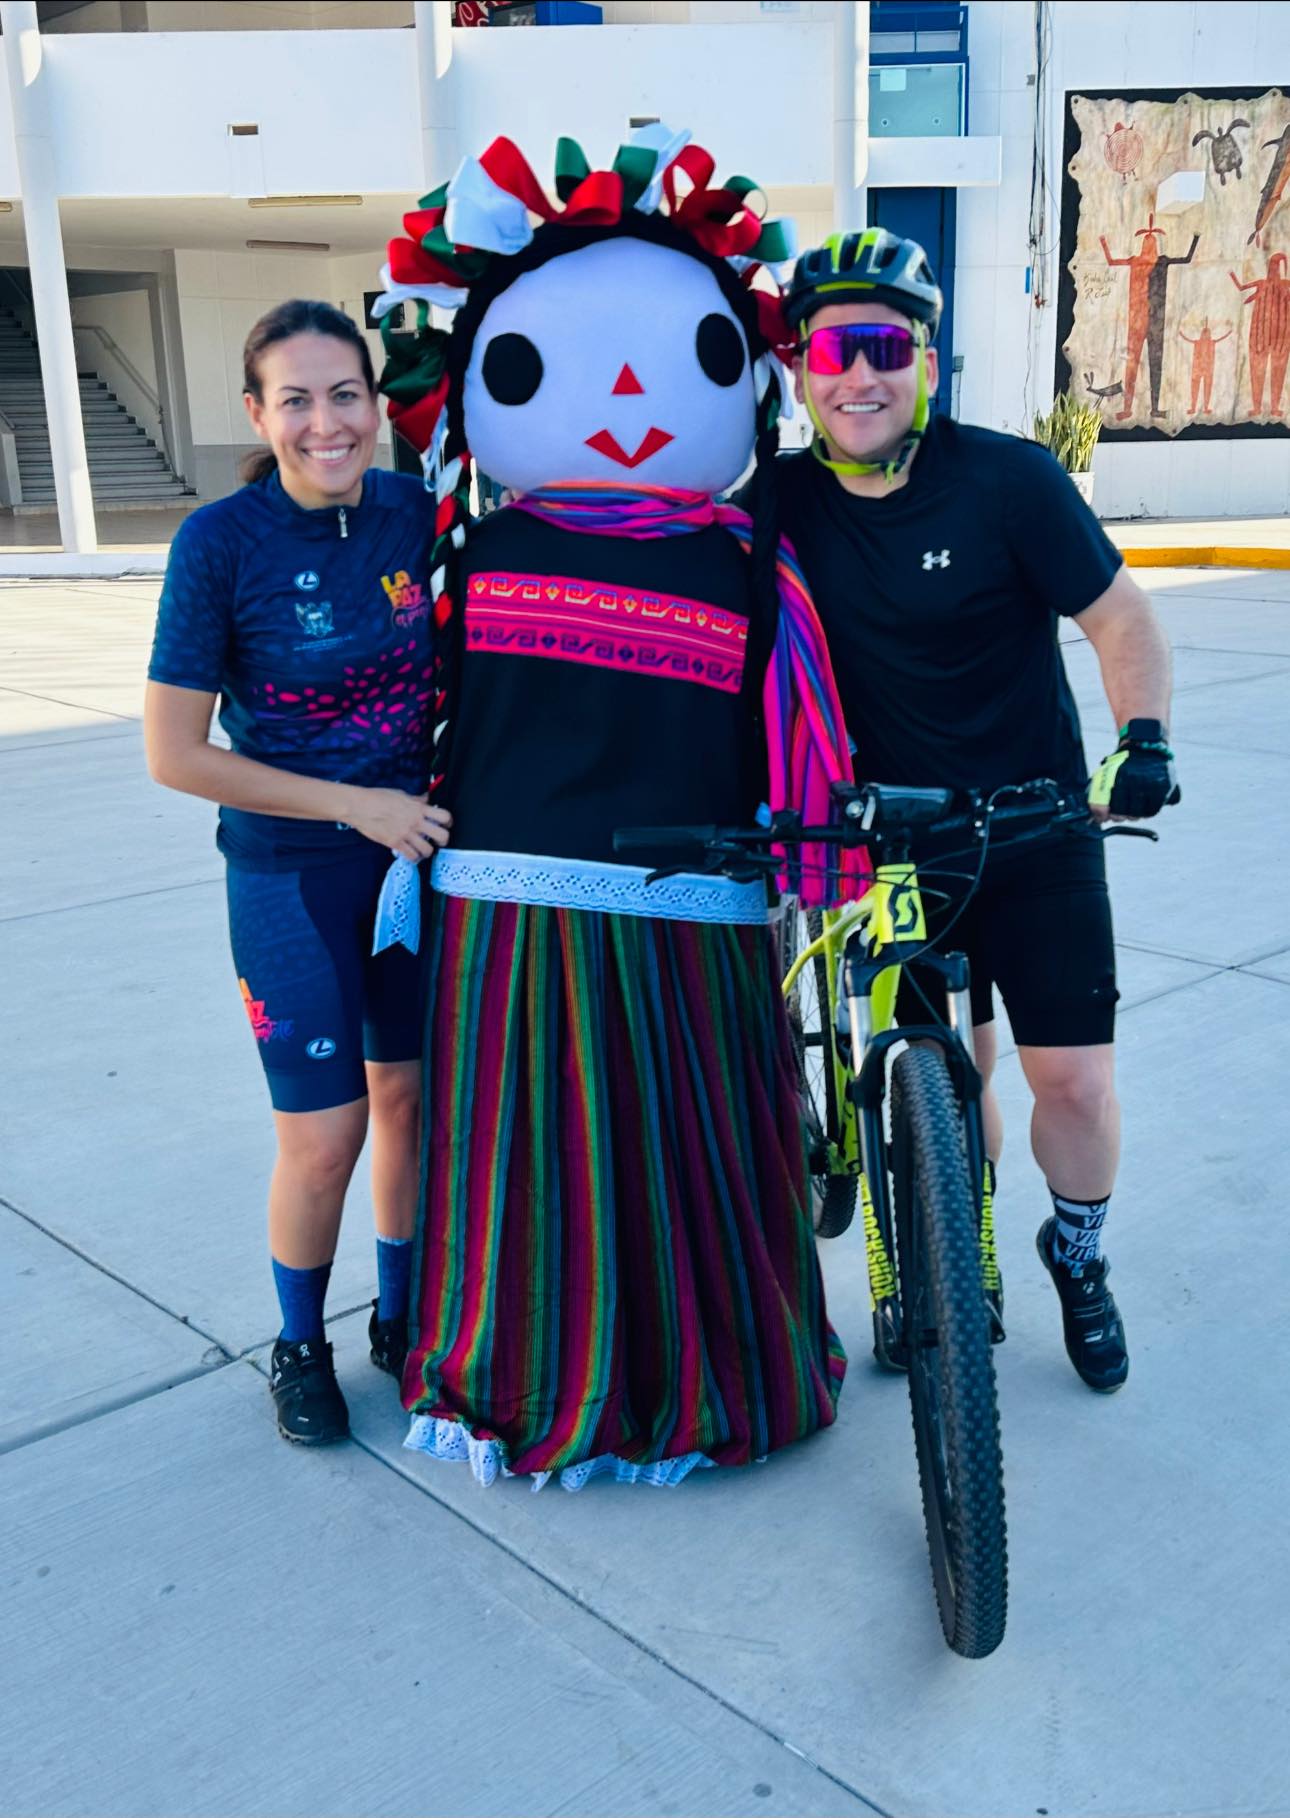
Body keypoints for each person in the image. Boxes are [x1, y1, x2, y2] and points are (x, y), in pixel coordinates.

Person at [368, 127, 864, 1488]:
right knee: (539, 1156)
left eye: (692, 358)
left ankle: (677, 1367)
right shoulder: (462, 548)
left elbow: (797, 736)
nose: (635, 391)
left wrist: (826, 860)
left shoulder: (751, 562)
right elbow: (405, 707)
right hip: (508, 908)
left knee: (671, 1155)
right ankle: (537, 1366)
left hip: (690, 909)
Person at [762, 229, 1179, 1393]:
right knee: (945, 1069)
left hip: (1037, 823)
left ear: (928, 360)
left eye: (885, 346)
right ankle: (952, 1253)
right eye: (837, 349)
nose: (861, 375)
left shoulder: (1010, 481)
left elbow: (1120, 621)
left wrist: (1142, 740)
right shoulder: (779, 501)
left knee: (1074, 1084)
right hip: (885, 838)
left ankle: (1078, 1254)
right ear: (800, 369)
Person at [143, 299, 451, 1445]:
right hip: (292, 879)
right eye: (298, 399)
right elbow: (175, 756)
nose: (327, 423)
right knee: (323, 1139)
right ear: (257, 414)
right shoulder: (220, 546)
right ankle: (300, 1345)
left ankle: (407, 1318)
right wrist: (355, 805)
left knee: (409, 1102)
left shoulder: (419, 517)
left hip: (414, 873)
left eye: (346, 395)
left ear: (377, 404)